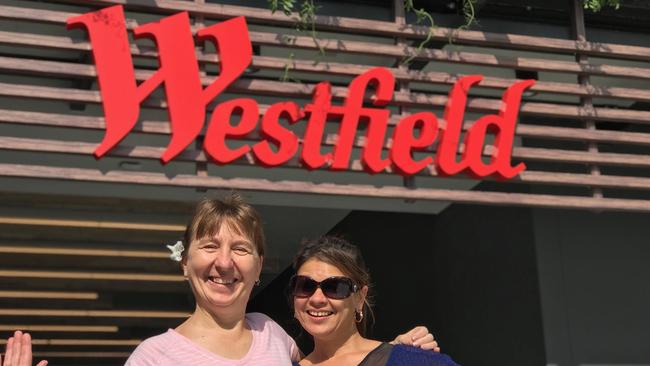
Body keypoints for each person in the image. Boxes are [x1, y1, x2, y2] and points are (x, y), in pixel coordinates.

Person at [1, 195, 438, 365]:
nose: (224, 263)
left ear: (258, 266)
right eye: (209, 247)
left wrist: (393, 356)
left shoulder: (276, 339)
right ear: (185, 263)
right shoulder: (154, 358)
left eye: (240, 249)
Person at [290, 236, 459, 366]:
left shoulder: (412, 361)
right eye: (305, 286)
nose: (317, 299)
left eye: (334, 287)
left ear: (359, 298)